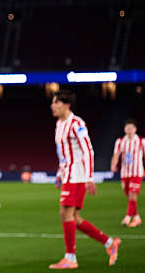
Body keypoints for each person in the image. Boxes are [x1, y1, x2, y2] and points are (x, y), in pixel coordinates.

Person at [49, 90, 121, 269]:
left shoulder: (77, 124)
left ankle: (70, 258)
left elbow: (88, 150)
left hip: (77, 175)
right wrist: (60, 173)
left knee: (66, 213)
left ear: (66, 105)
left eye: (56, 102)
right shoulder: (59, 124)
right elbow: (63, 154)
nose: (52, 106)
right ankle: (110, 242)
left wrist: (89, 177)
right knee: (73, 216)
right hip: (68, 174)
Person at [110, 119, 145, 228]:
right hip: (125, 173)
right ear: (125, 129)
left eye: (131, 128)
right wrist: (113, 164)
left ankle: (127, 218)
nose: (129, 130)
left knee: (132, 194)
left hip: (137, 172)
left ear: (135, 129)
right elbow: (116, 154)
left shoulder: (141, 141)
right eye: (127, 128)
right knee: (129, 196)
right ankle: (137, 217)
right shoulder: (120, 141)